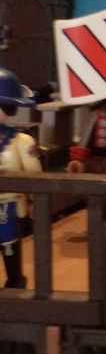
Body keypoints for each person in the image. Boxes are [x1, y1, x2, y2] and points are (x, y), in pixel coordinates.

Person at [0, 68, 42, 288]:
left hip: (9, 205)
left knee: (10, 245)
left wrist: (36, 201)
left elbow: (36, 176)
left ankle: (15, 282)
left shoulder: (22, 142)